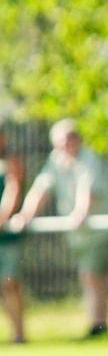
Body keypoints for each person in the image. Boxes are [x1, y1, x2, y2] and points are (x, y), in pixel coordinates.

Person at [11, 119, 108, 338]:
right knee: (89, 276)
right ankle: (98, 324)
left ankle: (99, 326)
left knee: (92, 275)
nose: (66, 145)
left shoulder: (89, 158)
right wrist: (25, 215)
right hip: (80, 235)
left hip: (99, 231)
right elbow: (41, 189)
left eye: (69, 139)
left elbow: (87, 190)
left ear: (77, 139)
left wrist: (80, 213)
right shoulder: (56, 160)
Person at [0, 124, 26, 343]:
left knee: (10, 283)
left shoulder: (11, 161)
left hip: (6, 237)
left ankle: (18, 335)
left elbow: (13, 189)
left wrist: (1, 218)